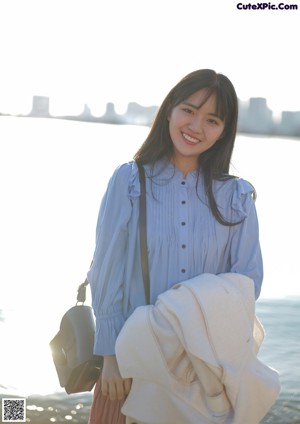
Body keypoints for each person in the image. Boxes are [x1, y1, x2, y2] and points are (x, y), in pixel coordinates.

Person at [87, 69, 263, 423]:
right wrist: (110, 358)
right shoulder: (130, 180)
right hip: (133, 364)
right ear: (169, 110)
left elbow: (247, 284)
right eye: (188, 110)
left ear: (224, 131)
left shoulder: (237, 196)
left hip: (203, 375)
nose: (196, 126)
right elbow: (105, 272)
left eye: (212, 119)